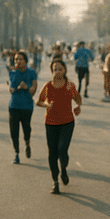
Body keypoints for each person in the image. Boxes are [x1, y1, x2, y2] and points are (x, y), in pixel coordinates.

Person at [36, 59, 81, 194]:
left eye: (60, 69)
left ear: (65, 70)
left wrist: (78, 107)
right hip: (50, 123)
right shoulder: (48, 86)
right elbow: (38, 101)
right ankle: (55, 182)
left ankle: (64, 168)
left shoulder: (70, 86)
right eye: (55, 69)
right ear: (52, 71)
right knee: (52, 153)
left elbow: (78, 99)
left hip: (67, 122)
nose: (57, 71)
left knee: (62, 149)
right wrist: (46, 105)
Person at [7, 51, 38, 164]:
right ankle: (16, 153)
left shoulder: (31, 73)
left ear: (25, 60)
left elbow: (34, 90)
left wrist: (27, 87)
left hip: (27, 107)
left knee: (26, 129)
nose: (18, 61)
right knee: (14, 131)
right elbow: (11, 89)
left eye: (20, 59)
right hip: (14, 106)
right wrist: (16, 88)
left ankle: (27, 143)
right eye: (16, 59)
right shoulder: (12, 73)